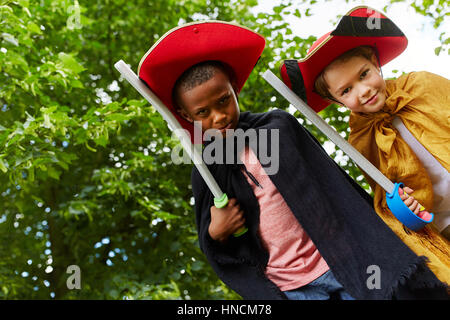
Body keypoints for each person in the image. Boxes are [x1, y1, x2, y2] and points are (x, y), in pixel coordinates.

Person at [137, 20, 448, 299]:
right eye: (202, 113)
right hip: (291, 286)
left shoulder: (278, 127)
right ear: (185, 116)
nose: (218, 117)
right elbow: (213, 238)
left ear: (234, 90)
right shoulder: (206, 167)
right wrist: (216, 232)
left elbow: (338, 187)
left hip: (341, 260)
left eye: (223, 101)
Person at [279, 5, 450, 287]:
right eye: (346, 91)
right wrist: (403, 205)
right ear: (335, 99)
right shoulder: (360, 141)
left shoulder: (422, 85)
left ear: (375, 61)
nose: (364, 90)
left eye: (364, 74)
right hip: (443, 225)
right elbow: (387, 198)